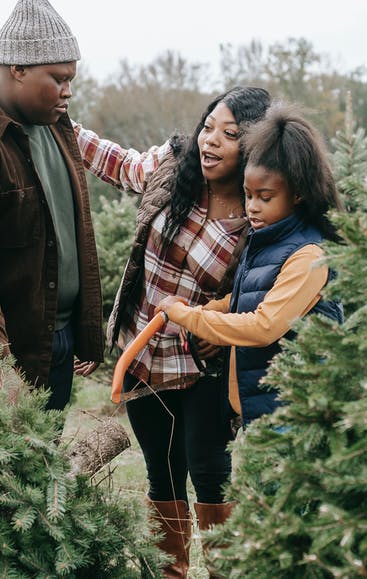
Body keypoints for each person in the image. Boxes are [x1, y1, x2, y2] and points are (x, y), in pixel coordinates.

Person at [75, 86, 271, 578]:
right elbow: (119, 165)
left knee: (209, 473)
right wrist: (64, 126)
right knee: (162, 474)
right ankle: (169, 571)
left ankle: (226, 570)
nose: (211, 141)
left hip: (205, 363)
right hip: (144, 351)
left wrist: (224, 329)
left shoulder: (260, 206)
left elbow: (269, 286)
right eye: (209, 127)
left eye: (229, 135)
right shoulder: (174, 165)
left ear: (251, 146)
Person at [0, 0, 103, 411]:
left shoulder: (57, 125)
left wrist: (86, 331)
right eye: (59, 79)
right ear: (18, 68)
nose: (67, 91)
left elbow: (77, 229)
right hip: (14, 350)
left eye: (71, 80)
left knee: (48, 458)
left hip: (60, 337)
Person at [157, 101, 344, 427]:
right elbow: (258, 294)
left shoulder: (309, 256)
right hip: (260, 415)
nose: (253, 208)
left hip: (292, 419)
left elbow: (264, 326)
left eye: (265, 197)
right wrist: (218, 306)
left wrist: (189, 317)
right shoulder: (269, 240)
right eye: (248, 195)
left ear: (297, 194)